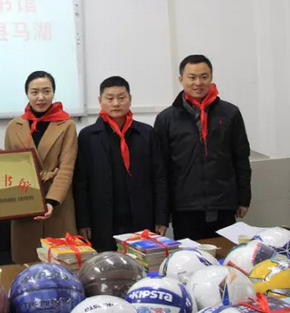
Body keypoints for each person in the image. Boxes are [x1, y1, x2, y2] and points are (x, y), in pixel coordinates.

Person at [154, 55, 252, 240]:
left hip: (223, 204)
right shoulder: (166, 119)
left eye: (204, 77)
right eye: (192, 77)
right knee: (189, 256)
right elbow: (161, 169)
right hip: (185, 207)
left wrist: (243, 198)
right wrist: (162, 213)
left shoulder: (230, 113)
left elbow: (241, 158)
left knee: (226, 254)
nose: (198, 83)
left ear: (211, 77)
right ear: (181, 79)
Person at [73, 76, 168, 252]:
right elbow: (81, 183)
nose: (116, 103)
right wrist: (83, 221)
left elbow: (160, 178)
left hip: (141, 217)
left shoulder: (146, 133)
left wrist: (162, 217)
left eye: (121, 98)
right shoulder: (88, 136)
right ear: (100, 101)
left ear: (130, 99)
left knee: (141, 263)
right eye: (110, 98)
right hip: (102, 220)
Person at [4, 71, 78, 263]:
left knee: (61, 264)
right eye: (34, 92)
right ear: (27, 94)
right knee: (26, 265)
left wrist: (51, 201)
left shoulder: (66, 125)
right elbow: (10, 168)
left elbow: (67, 168)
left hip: (57, 205)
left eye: (46, 91)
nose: (41, 97)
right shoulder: (14, 126)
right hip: (25, 205)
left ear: (53, 93)